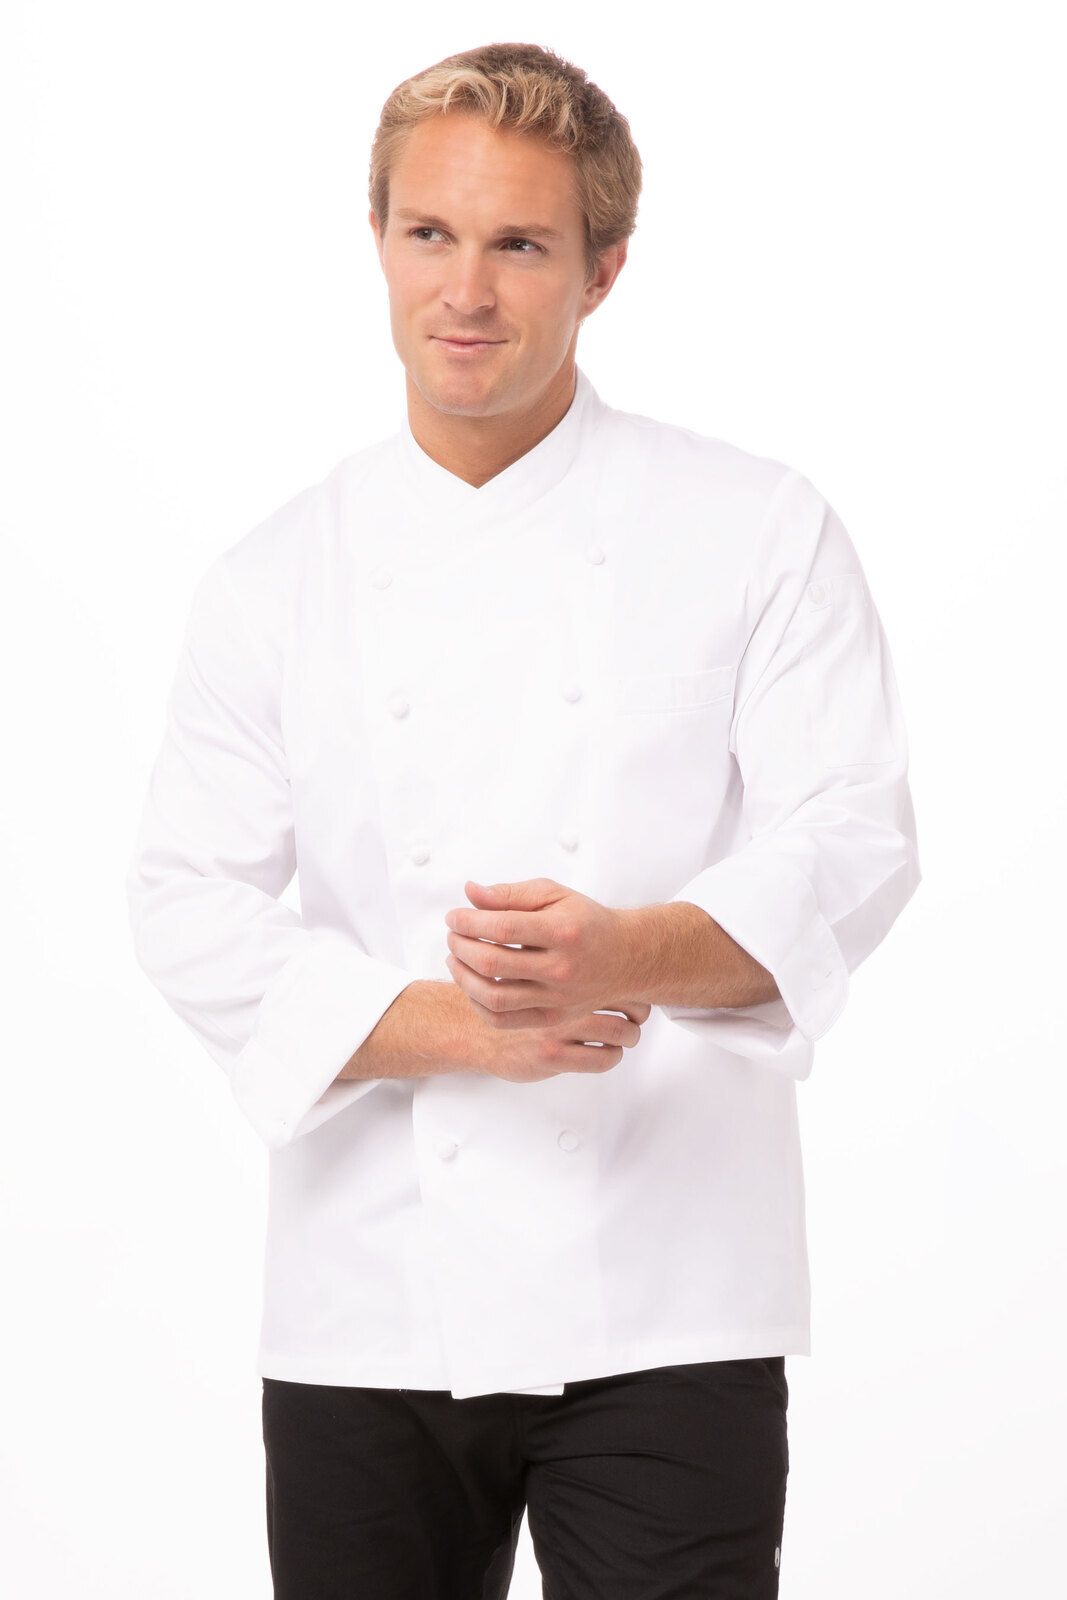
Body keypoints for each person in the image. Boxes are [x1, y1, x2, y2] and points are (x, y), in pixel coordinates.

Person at [125, 40, 921, 1600]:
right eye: (430, 233)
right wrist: (455, 1027)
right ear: (376, 240)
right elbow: (182, 897)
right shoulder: (275, 580)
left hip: (672, 1289)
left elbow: (856, 834)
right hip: (368, 1299)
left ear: (604, 270)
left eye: (521, 245)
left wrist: (632, 953)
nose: (466, 291)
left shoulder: (753, 528)